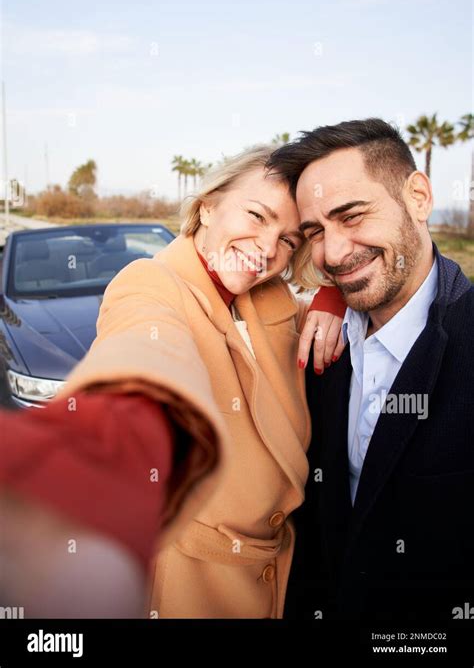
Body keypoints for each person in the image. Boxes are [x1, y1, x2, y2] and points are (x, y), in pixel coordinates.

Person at [0, 144, 346, 619]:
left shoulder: (272, 297)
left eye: (288, 239)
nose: (268, 249)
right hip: (193, 587)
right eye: (256, 216)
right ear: (208, 206)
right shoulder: (150, 283)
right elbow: (147, 354)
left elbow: (327, 324)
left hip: (280, 576)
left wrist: (334, 294)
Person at [266, 118, 474, 622]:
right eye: (315, 231)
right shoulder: (316, 344)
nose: (333, 254)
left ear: (419, 197)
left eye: (353, 215)